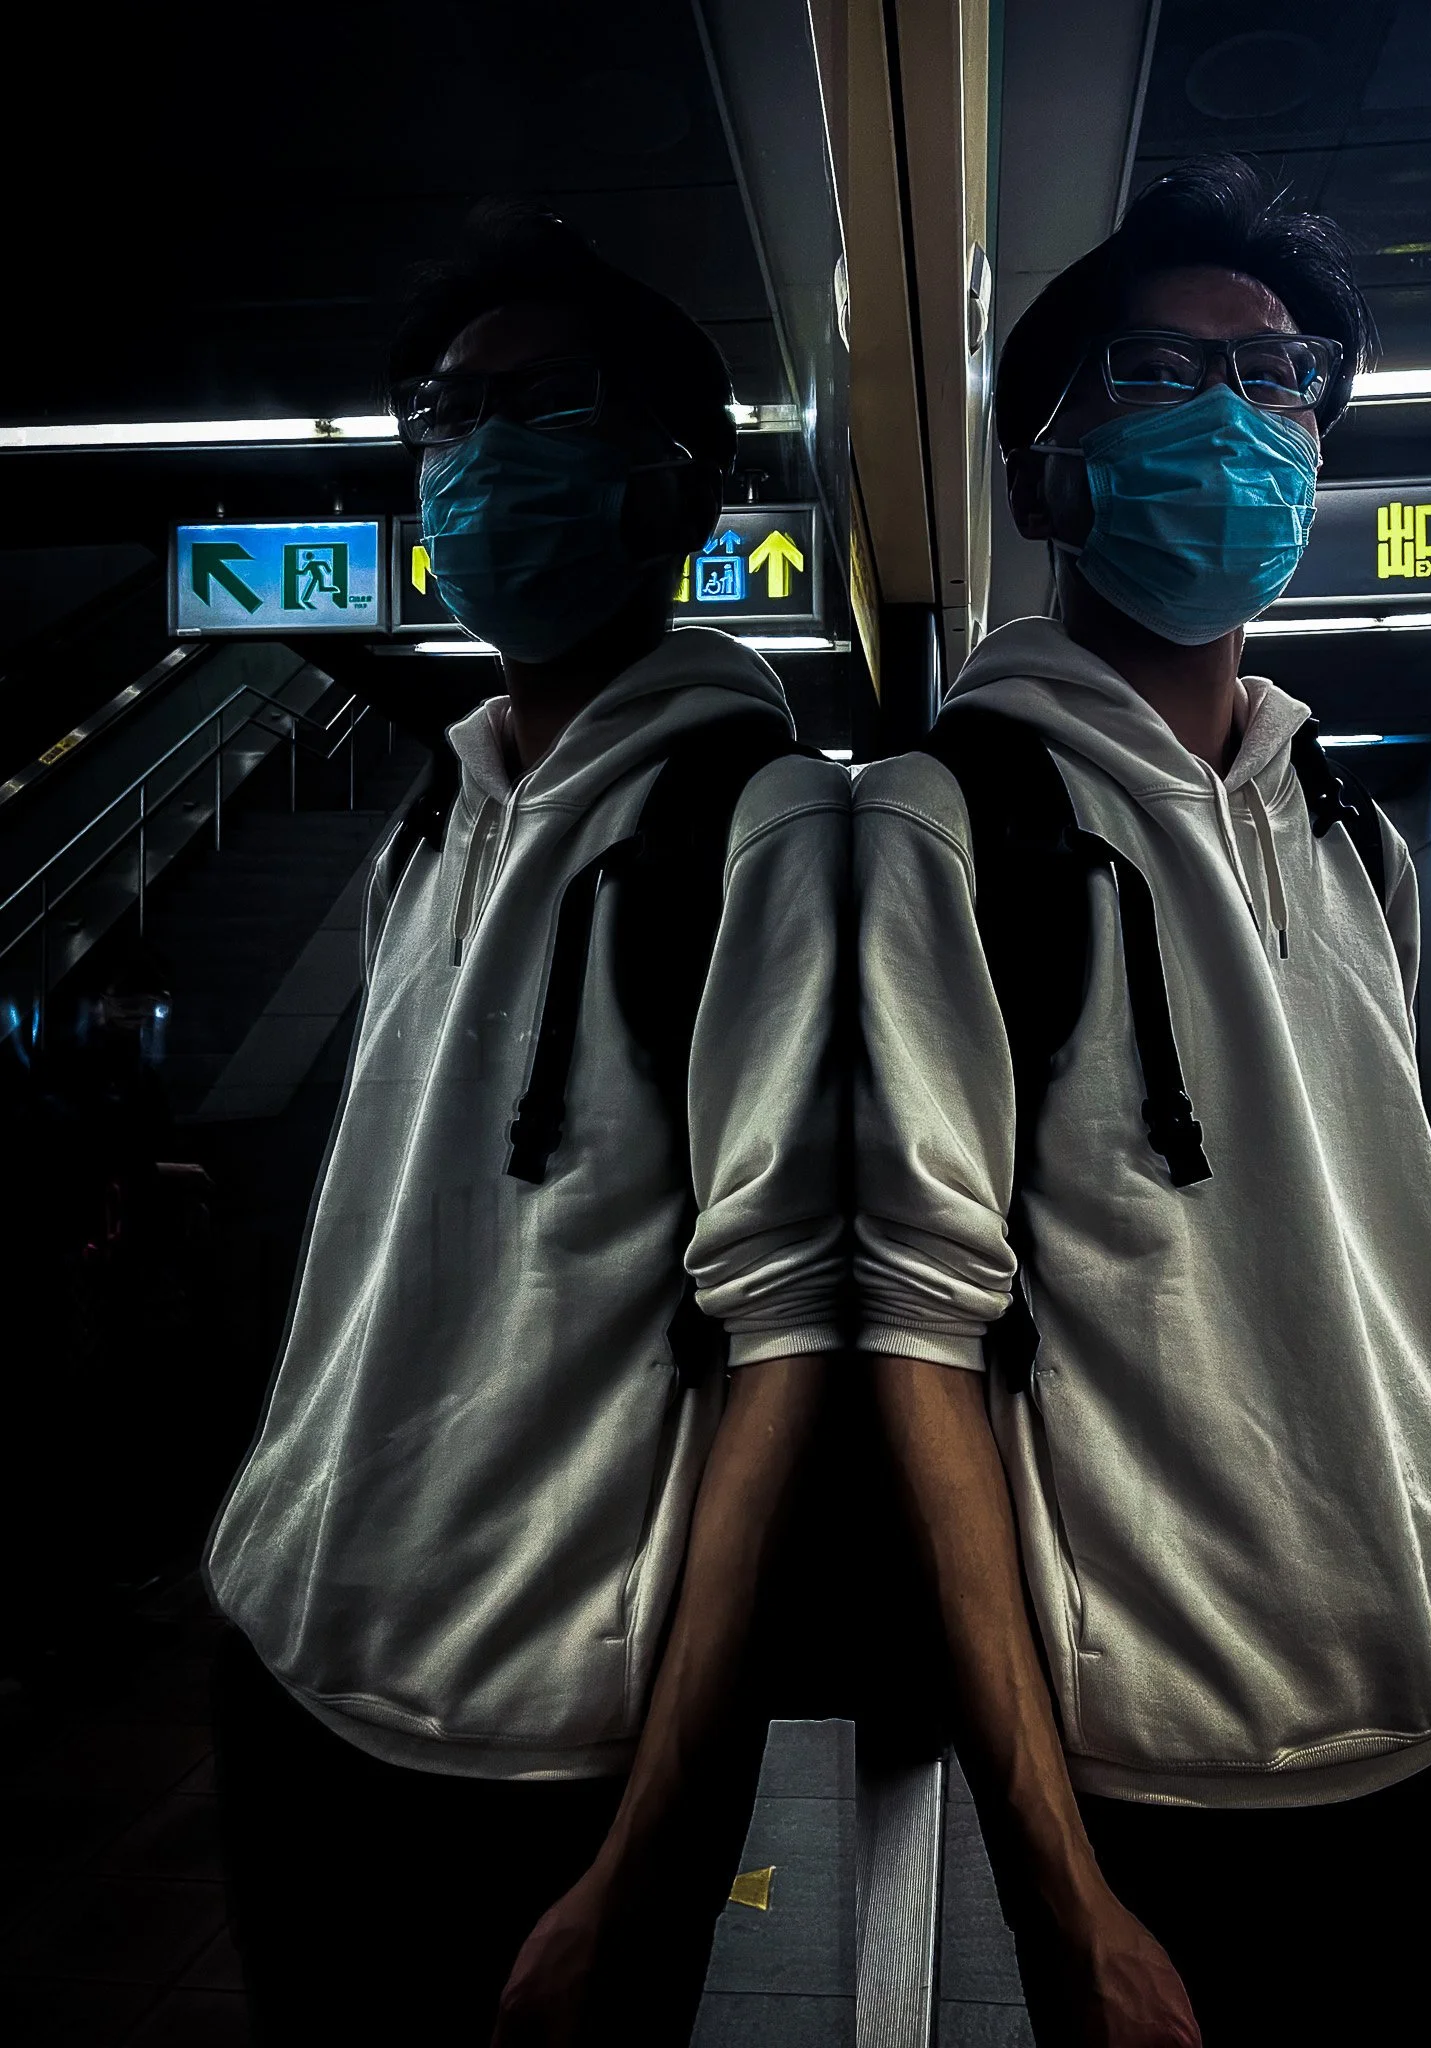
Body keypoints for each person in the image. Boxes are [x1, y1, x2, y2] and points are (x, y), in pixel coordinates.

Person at [853, 155, 1431, 2048]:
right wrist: (1052, 1874)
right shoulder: (939, 836)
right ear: (1045, 470)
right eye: (1160, 377)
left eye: (1276, 386)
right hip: (1180, 1776)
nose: (1238, 422)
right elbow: (907, 1352)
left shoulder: (1343, 827)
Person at [203, 204, 849, 2048]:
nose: (476, 453)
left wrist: (653, 1840)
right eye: (445, 417)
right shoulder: (435, 813)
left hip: (545, 1748)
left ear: (679, 486)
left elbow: (781, 1353)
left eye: (541, 405)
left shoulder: (769, 828)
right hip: (295, 1662)